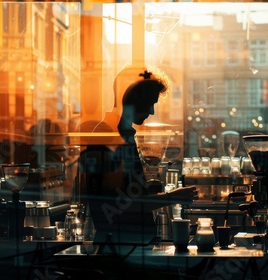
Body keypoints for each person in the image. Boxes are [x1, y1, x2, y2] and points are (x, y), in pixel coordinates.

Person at [80, 68, 197, 246]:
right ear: (132, 99)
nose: (151, 112)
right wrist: (172, 197)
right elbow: (120, 205)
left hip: (125, 245)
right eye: (149, 103)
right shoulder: (110, 137)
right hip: (120, 248)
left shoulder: (119, 135)